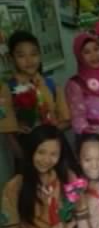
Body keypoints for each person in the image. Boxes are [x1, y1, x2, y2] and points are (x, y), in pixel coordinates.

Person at [1, 125, 82, 228]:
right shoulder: (16, 186)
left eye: (53, 154)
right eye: (41, 152)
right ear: (31, 150)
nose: (46, 160)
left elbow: (81, 210)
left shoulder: (68, 177)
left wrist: (73, 224)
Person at [6, 31, 70, 165]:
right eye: (21, 55)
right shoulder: (8, 89)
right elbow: (8, 131)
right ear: (12, 59)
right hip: (27, 151)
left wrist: (53, 127)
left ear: (40, 55)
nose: (29, 60)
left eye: (34, 54)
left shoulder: (51, 85)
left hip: (54, 148)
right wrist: (21, 156)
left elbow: (67, 120)